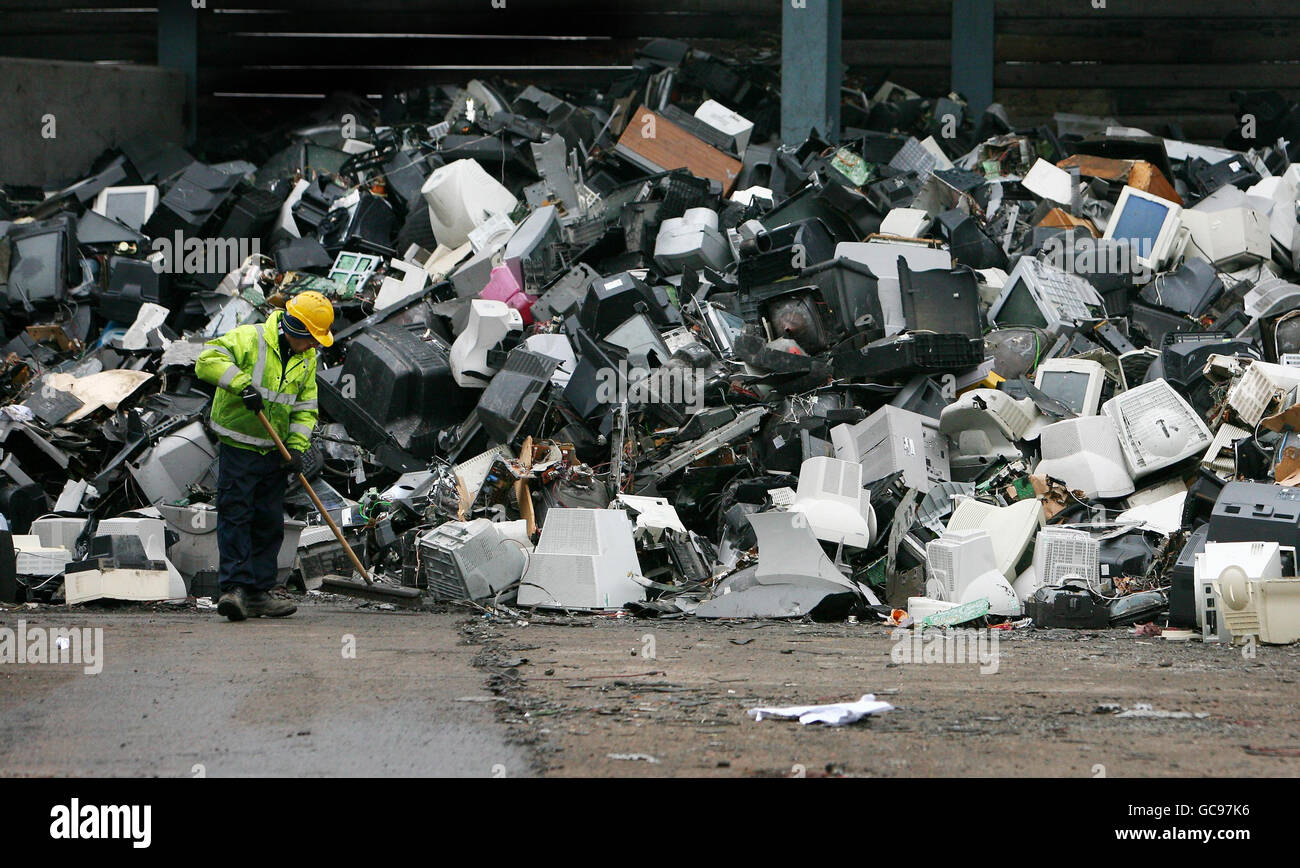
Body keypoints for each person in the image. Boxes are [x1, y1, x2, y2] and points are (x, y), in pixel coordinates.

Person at [194, 291, 335, 621]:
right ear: (296, 329)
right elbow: (207, 361)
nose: (315, 346)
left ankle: (258, 593)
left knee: (269, 523)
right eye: (312, 339)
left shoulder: (306, 359)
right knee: (236, 516)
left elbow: (304, 407)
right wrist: (241, 385)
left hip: (275, 452)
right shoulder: (249, 338)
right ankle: (234, 590)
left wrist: (297, 450)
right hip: (239, 448)